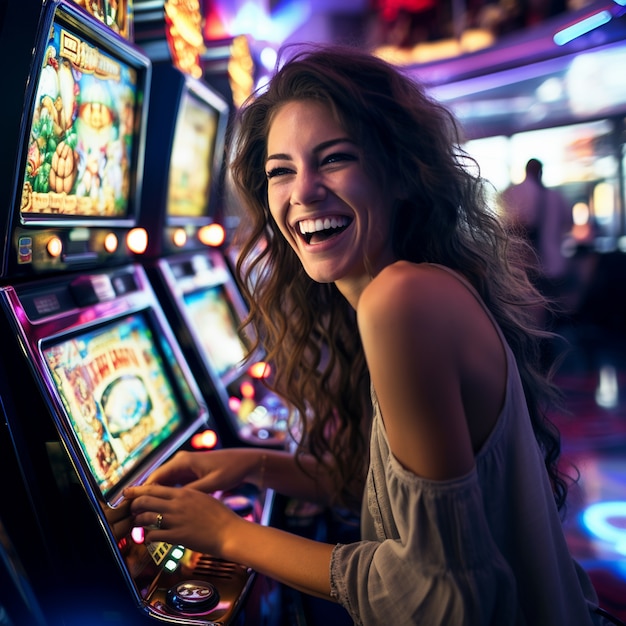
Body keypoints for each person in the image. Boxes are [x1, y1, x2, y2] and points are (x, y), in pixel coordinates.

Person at [125, 45, 616, 625]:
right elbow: (413, 500)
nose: (302, 192)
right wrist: (251, 465)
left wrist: (228, 535)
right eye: (281, 170)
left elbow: (440, 593)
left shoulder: (400, 299)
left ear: (401, 175)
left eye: (333, 159)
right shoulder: (413, 289)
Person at [500, 158, 574, 326]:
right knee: (553, 315)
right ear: (541, 172)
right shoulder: (556, 197)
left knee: (532, 318)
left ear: (526, 171)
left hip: (527, 268)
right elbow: (568, 224)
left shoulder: (514, 193)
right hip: (555, 265)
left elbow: (512, 229)